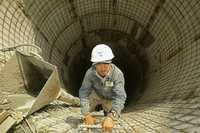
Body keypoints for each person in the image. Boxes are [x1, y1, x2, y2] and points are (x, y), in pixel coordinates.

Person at [79, 44, 127, 132]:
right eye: (99, 64)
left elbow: (120, 97)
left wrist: (111, 117)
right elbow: (83, 92)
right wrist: (86, 114)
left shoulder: (117, 74)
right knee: (84, 113)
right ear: (94, 64)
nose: (103, 67)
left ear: (110, 62)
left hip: (110, 98)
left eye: (106, 63)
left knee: (110, 120)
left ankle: (106, 113)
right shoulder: (90, 73)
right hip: (96, 95)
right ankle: (87, 116)